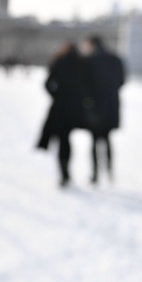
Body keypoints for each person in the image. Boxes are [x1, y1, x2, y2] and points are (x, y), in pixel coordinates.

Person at [37, 42, 86, 187]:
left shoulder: (59, 61)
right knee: (67, 139)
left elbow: (47, 83)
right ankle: (66, 170)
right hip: (75, 107)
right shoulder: (82, 63)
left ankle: (63, 171)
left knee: (61, 139)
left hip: (59, 107)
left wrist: (56, 96)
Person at [81, 35, 125, 184]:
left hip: (93, 107)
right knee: (107, 139)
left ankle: (95, 174)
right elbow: (122, 81)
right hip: (111, 106)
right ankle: (110, 171)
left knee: (94, 141)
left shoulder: (89, 61)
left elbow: (84, 85)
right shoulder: (116, 59)